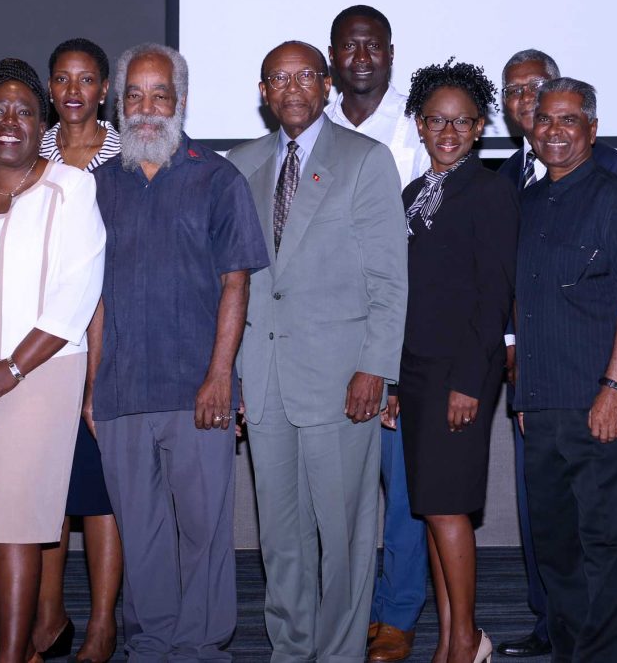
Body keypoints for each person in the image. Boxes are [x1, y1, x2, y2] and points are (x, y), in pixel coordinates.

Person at [226, 41, 408, 662]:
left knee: (344, 535)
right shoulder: (241, 164)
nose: (293, 88)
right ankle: (292, 648)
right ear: (263, 91)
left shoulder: (366, 160)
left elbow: (389, 281)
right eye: (279, 78)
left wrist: (376, 368)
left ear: (327, 85)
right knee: (280, 539)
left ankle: (338, 653)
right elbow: (234, 282)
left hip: (342, 379)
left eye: (306, 75)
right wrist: (233, 375)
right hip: (264, 376)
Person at [90, 42, 269, 662]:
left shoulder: (217, 178)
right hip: (119, 390)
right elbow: (93, 301)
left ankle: (200, 647)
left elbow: (236, 282)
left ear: (181, 103)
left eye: (159, 95)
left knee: (203, 532)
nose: (146, 108)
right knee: (140, 534)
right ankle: (154, 643)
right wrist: (92, 388)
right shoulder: (96, 189)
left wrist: (221, 376)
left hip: (198, 389)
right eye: (133, 96)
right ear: (119, 105)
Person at [0, 58, 106, 663]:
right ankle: (30, 643)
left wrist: (11, 368)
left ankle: (12, 656)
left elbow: (77, 292)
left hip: (39, 369)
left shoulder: (72, 187)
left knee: (12, 514)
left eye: (25, 112)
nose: (10, 120)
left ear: (42, 125)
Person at [495, 48, 617, 660]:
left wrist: (614, 388)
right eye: (544, 119)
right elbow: (520, 304)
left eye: (567, 120)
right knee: (554, 544)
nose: (552, 130)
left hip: (599, 400)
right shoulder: (523, 204)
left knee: (604, 544)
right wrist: (523, 389)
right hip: (541, 401)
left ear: (591, 128)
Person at [392, 60, 518, 663]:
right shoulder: (414, 194)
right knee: (432, 510)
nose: (448, 132)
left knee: (447, 510)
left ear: (480, 127)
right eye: (437, 121)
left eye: (461, 122)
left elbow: (494, 297)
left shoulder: (490, 192)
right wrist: (393, 379)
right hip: (416, 374)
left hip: (458, 376)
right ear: (419, 125)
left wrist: (471, 381)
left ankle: (466, 639)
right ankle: (450, 639)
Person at [324, 4, 428, 662]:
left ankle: (398, 610)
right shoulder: (315, 123)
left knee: (404, 486)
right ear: (334, 55)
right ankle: (350, 604)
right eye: (349, 46)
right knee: (340, 487)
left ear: (390, 52)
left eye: (373, 45)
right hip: (328, 330)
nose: (361, 56)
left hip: (403, 328)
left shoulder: (419, 127)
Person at [34, 37, 122, 663]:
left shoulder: (127, 152)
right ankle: (47, 615)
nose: (73, 91)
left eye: (86, 79)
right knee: (44, 488)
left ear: (104, 88)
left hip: (113, 333)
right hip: (44, 339)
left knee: (98, 489)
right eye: (61, 79)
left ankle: (101, 625)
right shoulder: (30, 151)